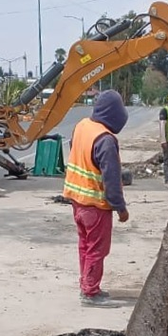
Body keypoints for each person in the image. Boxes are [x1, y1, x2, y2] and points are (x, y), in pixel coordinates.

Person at [62, 89, 129, 308]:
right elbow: (111, 179)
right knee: (97, 249)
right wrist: (120, 208)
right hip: (94, 205)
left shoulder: (82, 126)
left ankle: (87, 285)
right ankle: (90, 293)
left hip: (77, 200)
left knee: (85, 245)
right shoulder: (105, 140)